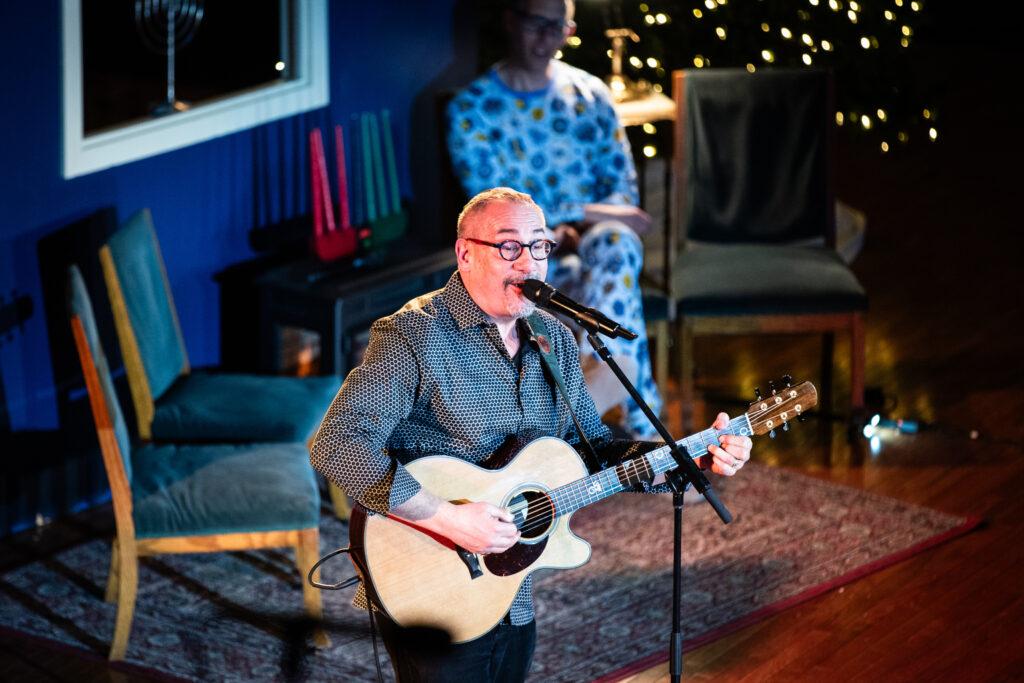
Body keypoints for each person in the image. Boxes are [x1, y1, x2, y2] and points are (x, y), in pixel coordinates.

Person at [310, 188, 752, 682]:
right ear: (466, 253)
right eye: (508, 247)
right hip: (427, 578)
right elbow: (337, 443)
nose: (527, 263)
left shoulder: (553, 337)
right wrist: (448, 520)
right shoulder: (414, 335)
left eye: (539, 246)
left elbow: (595, 450)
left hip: (511, 588)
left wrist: (694, 458)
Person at [446, 0, 662, 439]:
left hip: (594, 249)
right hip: (522, 259)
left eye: (558, 27)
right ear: (510, 19)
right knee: (595, 260)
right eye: (536, 24)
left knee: (617, 245)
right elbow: (491, 209)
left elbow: (623, 192)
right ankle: (641, 427)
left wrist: (582, 225)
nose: (547, 37)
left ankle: (590, 401)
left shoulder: (590, 95)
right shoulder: (473, 109)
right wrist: (576, 217)